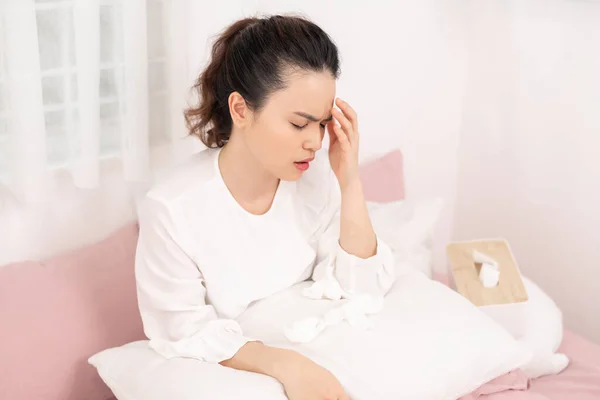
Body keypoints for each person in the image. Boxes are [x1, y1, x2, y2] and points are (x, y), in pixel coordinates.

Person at [134, 14, 396, 400]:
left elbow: (363, 285)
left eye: (323, 124)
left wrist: (350, 181)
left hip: (333, 355)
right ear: (240, 110)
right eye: (298, 124)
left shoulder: (318, 180)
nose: (315, 142)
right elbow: (182, 328)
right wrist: (286, 364)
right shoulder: (172, 210)